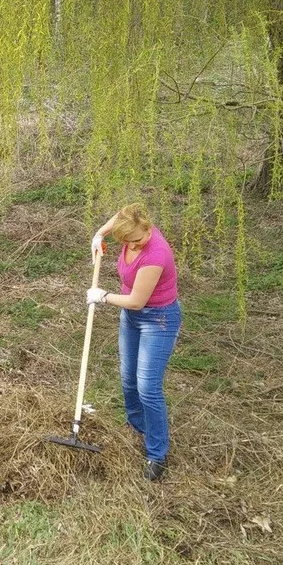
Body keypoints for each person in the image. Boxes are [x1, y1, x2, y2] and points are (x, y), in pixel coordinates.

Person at [88, 203, 182, 482]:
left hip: (158, 319)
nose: (139, 243)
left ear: (147, 226)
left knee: (147, 386)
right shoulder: (129, 224)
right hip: (130, 317)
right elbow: (118, 217)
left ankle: (157, 454)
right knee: (128, 377)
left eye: (141, 238)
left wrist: (101, 296)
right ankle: (136, 425)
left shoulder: (156, 253)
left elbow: (137, 301)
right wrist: (99, 234)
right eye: (131, 241)